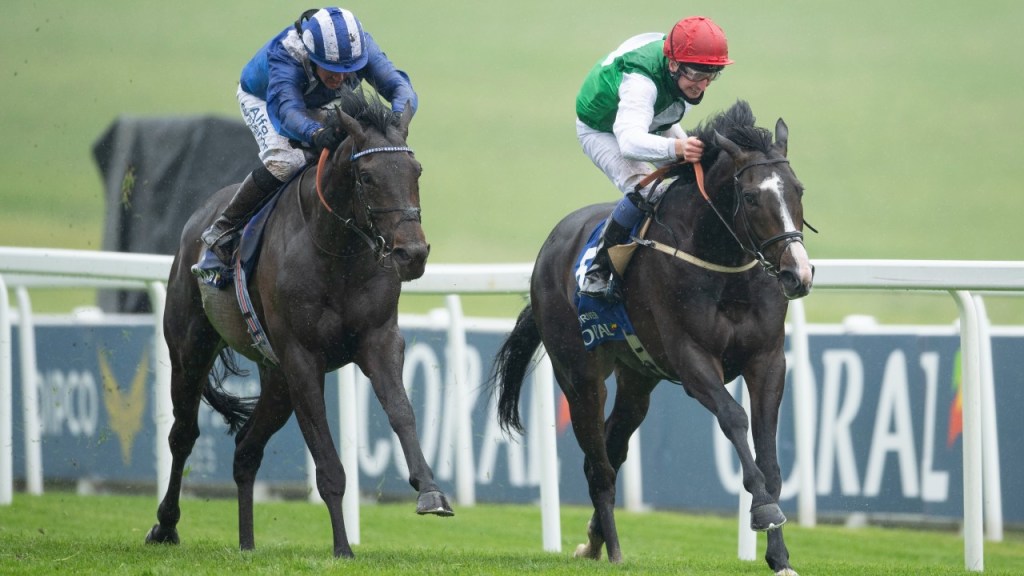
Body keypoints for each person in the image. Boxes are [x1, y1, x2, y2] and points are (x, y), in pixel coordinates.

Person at [199, 7, 418, 266]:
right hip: (266, 99)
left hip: (319, 101)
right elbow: (287, 111)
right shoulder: (287, 55)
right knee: (287, 161)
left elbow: (401, 88)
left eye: (347, 70)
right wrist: (315, 133)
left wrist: (396, 118)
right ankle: (223, 227)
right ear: (312, 57)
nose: (340, 77)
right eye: (330, 70)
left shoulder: (359, 47)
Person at [575, 16, 733, 300]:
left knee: (696, 174)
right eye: (697, 74)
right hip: (602, 130)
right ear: (673, 65)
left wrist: (685, 153)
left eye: (711, 74)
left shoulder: (680, 70)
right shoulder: (640, 83)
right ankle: (598, 269)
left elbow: (659, 120)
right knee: (647, 190)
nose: (703, 85)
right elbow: (629, 142)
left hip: (649, 120)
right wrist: (677, 149)